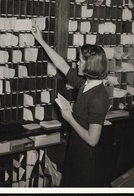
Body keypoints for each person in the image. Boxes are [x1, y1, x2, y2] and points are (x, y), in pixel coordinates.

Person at [31, 27, 110, 187]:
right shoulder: (85, 83)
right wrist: (40, 40)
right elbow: (61, 64)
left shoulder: (98, 97)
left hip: (87, 158)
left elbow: (93, 140)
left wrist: (70, 118)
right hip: (76, 148)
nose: (77, 63)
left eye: (80, 61)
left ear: (90, 65)